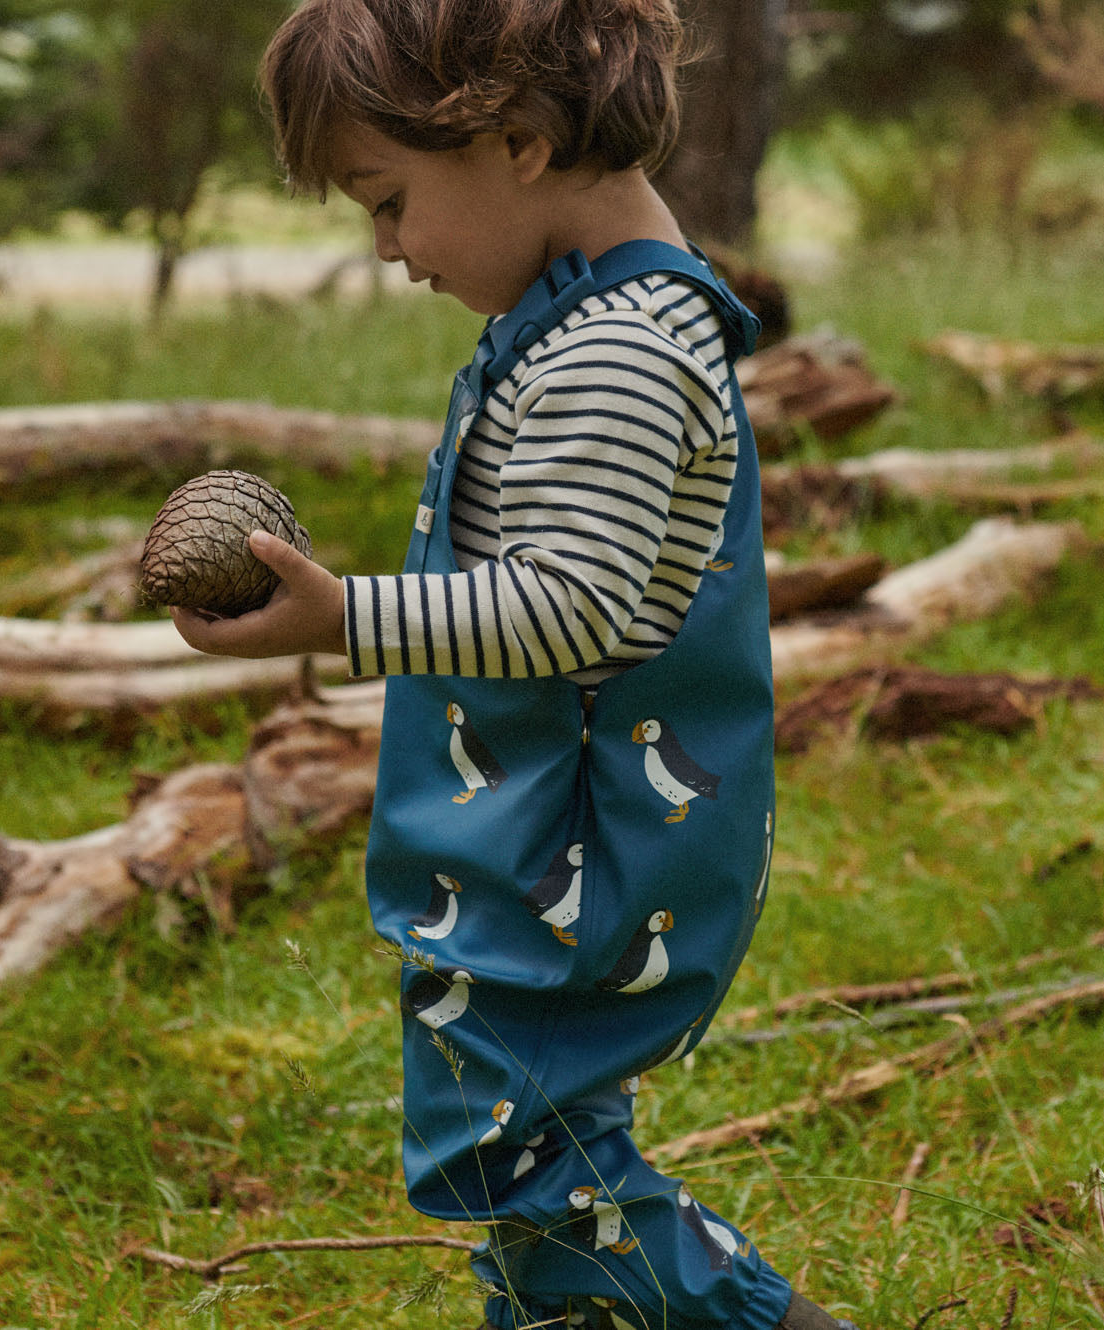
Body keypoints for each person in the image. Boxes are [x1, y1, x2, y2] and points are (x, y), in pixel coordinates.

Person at [172, 2, 861, 1327]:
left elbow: (570, 607)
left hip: (587, 853)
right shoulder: (583, 319)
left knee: (517, 1153)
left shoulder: (615, 350)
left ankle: (758, 1320)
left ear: (519, 140)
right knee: (521, 1145)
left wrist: (343, 620)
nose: (385, 249)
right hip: (542, 834)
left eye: (387, 199)